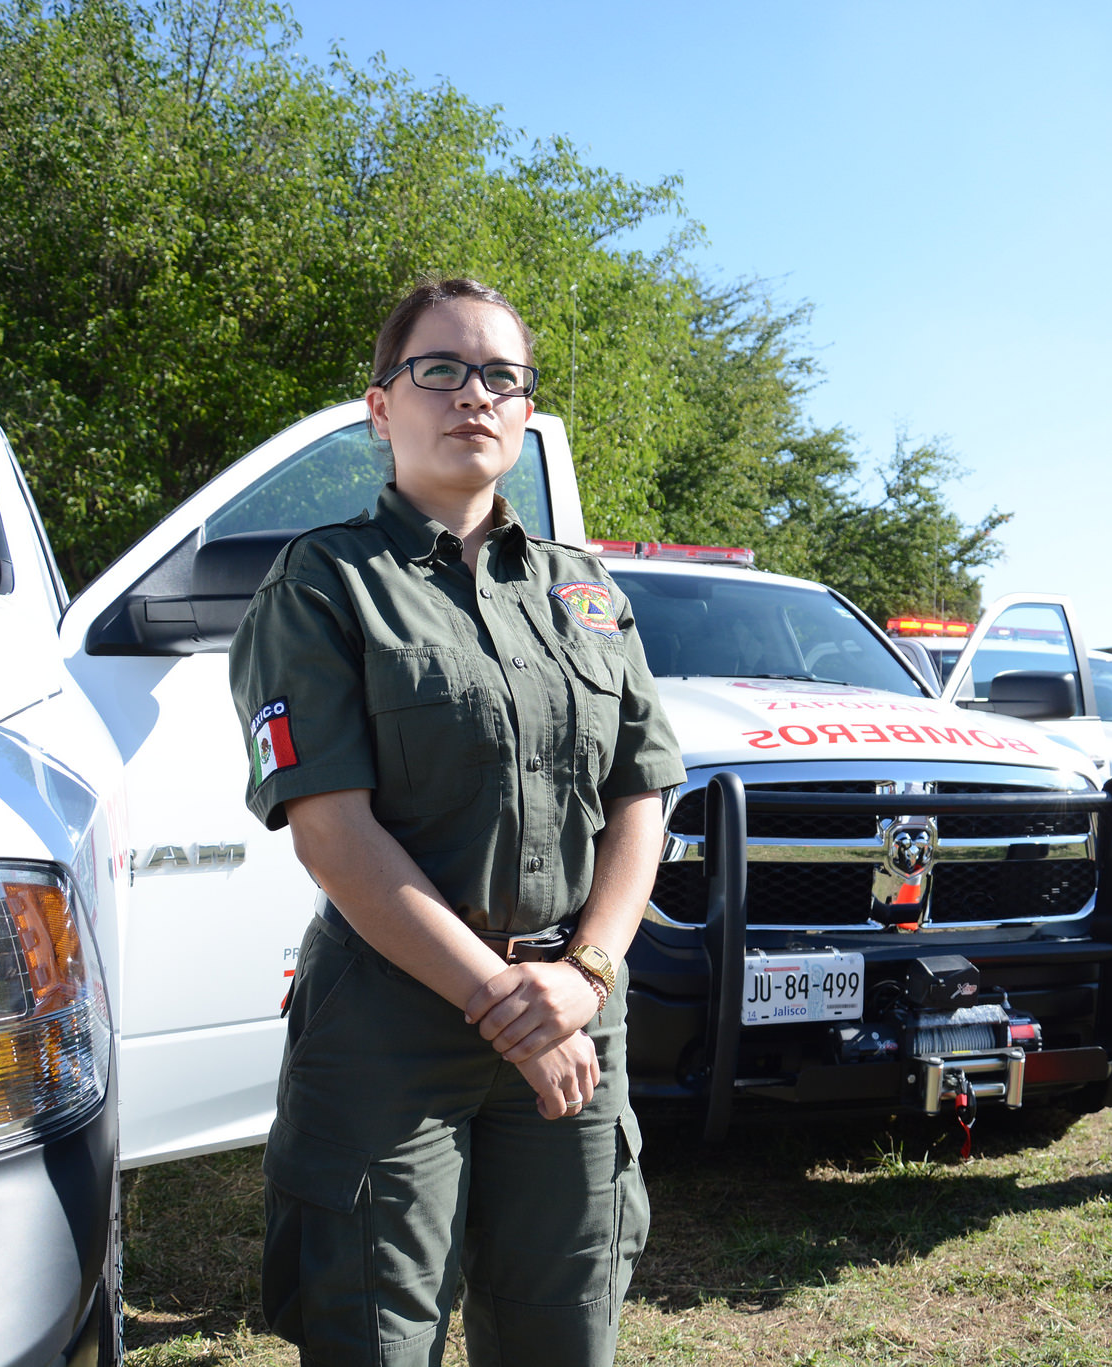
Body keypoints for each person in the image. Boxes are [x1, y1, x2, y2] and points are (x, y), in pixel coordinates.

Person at [228, 277, 686, 1367]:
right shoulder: (323, 584)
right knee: (375, 1335)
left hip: (574, 1012)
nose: (471, 394)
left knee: (562, 1332)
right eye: (438, 368)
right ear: (381, 405)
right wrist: (505, 1002)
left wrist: (583, 977)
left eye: (500, 376)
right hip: (392, 1023)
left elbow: (640, 798)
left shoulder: (588, 593)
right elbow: (333, 831)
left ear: (524, 412)